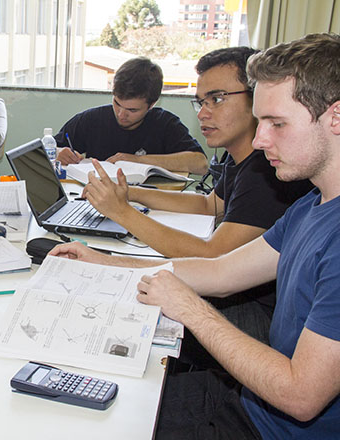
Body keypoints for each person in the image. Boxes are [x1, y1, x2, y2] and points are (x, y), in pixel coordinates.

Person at [51, 33, 340, 439]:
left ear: (336, 118)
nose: (260, 139)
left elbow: (300, 395)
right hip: (252, 399)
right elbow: (220, 272)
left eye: (277, 123)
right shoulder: (311, 205)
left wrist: (188, 307)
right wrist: (107, 262)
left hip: (274, 426)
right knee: (102, 407)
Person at [83, 48, 312, 356]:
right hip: (237, 292)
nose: (203, 113)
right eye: (201, 101)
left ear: (257, 98)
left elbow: (212, 256)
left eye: (216, 99)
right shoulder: (241, 157)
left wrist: (122, 213)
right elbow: (208, 205)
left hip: (258, 316)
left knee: (122, 316)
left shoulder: (265, 172)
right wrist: (129, 193)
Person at [54, 57, 208, 175]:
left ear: (152, 104)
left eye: (132, 110)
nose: (121, 114)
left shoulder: (165, 123)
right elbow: (44, 150)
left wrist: (136, 161)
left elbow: (200, 164)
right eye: (117, 103)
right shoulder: (91, 120)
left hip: (152, 202)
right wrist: (58, 153)